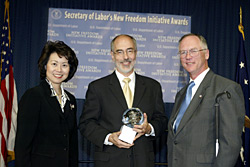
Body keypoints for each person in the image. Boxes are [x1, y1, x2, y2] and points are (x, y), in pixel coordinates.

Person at [78, 34, 167, 167]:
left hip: (143, 161)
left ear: (136, 54)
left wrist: (149, 128)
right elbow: (86, 124)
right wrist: (109, 138)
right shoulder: (97, 87)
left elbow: (162, 120)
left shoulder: (153, 87)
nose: (126, 57)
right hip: (110, 161)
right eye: (120, 52)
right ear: (112, 55)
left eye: (130, 51)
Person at [167, 33, 245, 167]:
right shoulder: (181, 94)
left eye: (193, 51)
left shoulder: (226, 89)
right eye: (183, 52)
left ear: (206, 54)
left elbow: (230, 144)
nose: (188, 56)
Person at [15, 41, 79, 167]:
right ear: (45, 66)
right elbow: (23, 145)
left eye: (64, 65)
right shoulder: (34, 96)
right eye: (54, 64)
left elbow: (72, 145)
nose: (59, 70)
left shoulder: (71, 100)